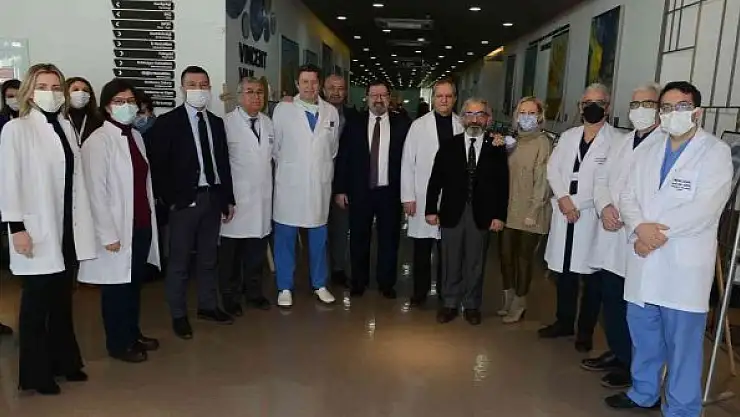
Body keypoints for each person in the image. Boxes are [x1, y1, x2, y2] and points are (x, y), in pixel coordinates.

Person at [605, 81, 733, 416]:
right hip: (643, 259)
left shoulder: (714, 152)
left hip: (682, 265)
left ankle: (681, 409)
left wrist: (653, 236)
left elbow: (705, 208)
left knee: (682, 346)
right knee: (644, 337)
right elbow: (627, 195)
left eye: (681, 107)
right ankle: (643, 392)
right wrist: (639, 228)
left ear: (697, 112)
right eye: (666, 108)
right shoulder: (648, 150)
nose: (672, 113)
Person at [0, 63, 97, 395]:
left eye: (56, 87)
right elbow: (9, 183)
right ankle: (35, 374)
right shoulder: (17, 129)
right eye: (43, 86)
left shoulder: (66, 127)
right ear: (29, 92)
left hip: (66, 228)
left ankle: (65, 362)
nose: (51, 93)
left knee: (61, 301)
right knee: (36, 304)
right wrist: (17, 228)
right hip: (35, 228)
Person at [584, 83, 665, 389]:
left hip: (638, 238)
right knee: (612, 300)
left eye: (648, 104)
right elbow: (602, 178)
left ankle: (633, 364)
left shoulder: (664, 143)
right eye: (635, 104)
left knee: (637, 309)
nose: (640, 110)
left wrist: (629, 218)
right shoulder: (623, 141)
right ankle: (618, 353)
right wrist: (605, 207)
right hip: (612, 232)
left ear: (660, 108)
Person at [148, 66, 236, 339]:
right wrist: (171, 200)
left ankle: (208, 306)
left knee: (209, 258)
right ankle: (178, 314)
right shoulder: (167, 122)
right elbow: (157, 166)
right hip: (184, 203)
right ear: (182, 88)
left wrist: (227, 198)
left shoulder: (216, 123)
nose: (199, 89)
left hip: (212, 198)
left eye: (204, 84)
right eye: (193, 84)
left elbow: (223, 163)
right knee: (179, 261)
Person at [78, 79, 161, 363]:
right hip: (116, 229)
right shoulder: (98, 141)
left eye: (131, 101)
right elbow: (95, 192)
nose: (127, 106)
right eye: (119, 101)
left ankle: (133, 333)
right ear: (106, 107)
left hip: (140, 223)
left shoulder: (135, 136)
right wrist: (107, 234)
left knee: (133, 284)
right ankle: (118, 343)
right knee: (116, 288)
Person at [540, 83, 620, 352]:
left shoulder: (617, 141)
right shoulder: (568, 136)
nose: (592, 108)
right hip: (565, 213)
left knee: (591, 280)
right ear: (580, 106)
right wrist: (564, 199)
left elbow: (608, 182)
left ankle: (585, 332)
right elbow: (553, 169)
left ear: (607, 107)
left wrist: (577, 203)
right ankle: (563, 322)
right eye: (587, 103)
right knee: (564, 275)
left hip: (591, 217)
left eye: (598, 103)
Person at [425, 98, 509, 325]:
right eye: (470, 114)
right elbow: (435, 180)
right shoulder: (449, 145)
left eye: (480, 114)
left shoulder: (496, 147)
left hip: (482, 214)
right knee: (450, 260)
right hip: (452, 212)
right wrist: (430, 209)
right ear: (462, 118)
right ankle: (450, 303)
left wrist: (499, 216)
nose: (474, 119)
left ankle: (472, 305)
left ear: (488, 119)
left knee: (475, 262)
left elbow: (503, 184)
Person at [334, 80, 411, 298]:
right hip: (360, 190)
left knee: (389, 239)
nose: (378, 100)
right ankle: (358, 281)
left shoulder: (402, 124)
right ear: (366, 98)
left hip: (390, 192)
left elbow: (410, 159)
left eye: (383, 95)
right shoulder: (354, 123)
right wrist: (340, 189)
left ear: (389, 98)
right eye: (374, 95)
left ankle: (386, 283)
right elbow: (343, 157)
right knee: (359, 237)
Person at [271, 64, 340, 308]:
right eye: (304, 82)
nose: (309, 86)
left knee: (319, 238)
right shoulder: (283, 110)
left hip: (319, 185)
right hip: (290, 185)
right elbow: (275, 148)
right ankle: (284, 287)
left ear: (320, 84)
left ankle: (319, 284)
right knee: (285, 237)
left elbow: (332, 149)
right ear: (297, 84)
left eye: (313, 82)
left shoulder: (331, 112)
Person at [401, 79, 463, 308]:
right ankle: (420, 292)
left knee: (447, 250)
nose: (444, 100)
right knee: (422, 248)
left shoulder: (462, 124)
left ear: (454, 99)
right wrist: (408, 196)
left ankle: (445, 293)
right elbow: (407, 162)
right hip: (422, 194)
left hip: (451, 197)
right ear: (433, 98)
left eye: (448, 96)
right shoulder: (418, 126)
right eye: (439, 96)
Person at [219, 76, 273, 315]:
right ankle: (229, 296)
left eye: (259, 92)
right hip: (237, 200)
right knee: (231, 254)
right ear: (239, 96)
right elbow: (221, 166)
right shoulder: (226, 124)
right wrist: (225, 199)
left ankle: (254, 293)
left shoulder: (268, 123)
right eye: (250, 92)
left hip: (262, 200)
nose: (256, 96)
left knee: (256, 252)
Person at [497, 96, 552, 324]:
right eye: (522, 112)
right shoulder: (513, 142)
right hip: (510, 209)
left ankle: (519, 303)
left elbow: (543, 180)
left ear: (539, 117)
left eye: (531, 113)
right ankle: (508, 298)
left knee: (523, 259)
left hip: (532, 212)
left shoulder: (543, 142)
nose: (526, 117)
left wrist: (533, 210)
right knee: (505, 256)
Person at [324, 74, 359, 287]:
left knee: (340, 226)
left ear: (346, 92)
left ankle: (338, 269)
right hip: (316, 179)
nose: (336, 92)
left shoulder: (354, 117)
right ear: (324, 90)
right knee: (316, 228)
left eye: (340, 88)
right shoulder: (313, 112)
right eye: (332, 88)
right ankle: (318, 272)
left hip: (342, 181)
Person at [66, 77, 103, 143]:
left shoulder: (99, 119)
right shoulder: (59, 117)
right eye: (75, 90)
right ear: (66, 93)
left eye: (85, 90)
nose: (81, 93)